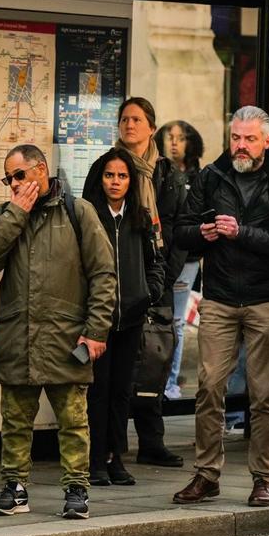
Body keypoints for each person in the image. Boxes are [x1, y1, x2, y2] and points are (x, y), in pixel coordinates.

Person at [0, 145, 117, 519]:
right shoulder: (7, 215)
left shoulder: (78, 212)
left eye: (19, 176)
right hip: (18, 335)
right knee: (15, 420)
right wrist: (16, 214)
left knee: (73, 420)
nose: (14, 185)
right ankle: (15, 487)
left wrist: (96, 330)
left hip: (66, 335)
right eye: (9, 179)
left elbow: (104, 276)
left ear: (41, 170)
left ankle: (76, 489)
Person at [172, 106, 269, 508]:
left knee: (263, 395)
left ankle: (264, 478)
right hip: (220, 297)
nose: (241, 146)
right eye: (236, 137)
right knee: (209, 387)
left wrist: (241, 233)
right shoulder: (211, 176)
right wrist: (203, 233)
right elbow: (181, 231)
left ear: (266, 141)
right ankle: (207, 474)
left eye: (250, 139)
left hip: (265, 298)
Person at [83, 97, 187, 467]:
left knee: (153, 362)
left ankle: (150, 440)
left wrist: (158, 282)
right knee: (111, 378)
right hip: (111, 295)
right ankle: (107, 453)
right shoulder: (105, 168)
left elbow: (175, 229)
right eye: (124, 119)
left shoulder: (167, 173)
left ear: (151, 127)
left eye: (137, 119)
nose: (129, 125)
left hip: (151, 284)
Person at [82, 148, 165, 486]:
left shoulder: (140, 216)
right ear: (99, 178)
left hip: (131, 316)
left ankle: (117, 458)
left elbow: (157, 259)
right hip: (98, 319)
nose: (115, 182)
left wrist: (151, 291)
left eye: (122, 176)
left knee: (121, 392)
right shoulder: (87, 214)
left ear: (131, 181)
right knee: (97, 390)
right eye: (109, 175)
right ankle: (95, 460)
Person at [155, 119, 204, 401]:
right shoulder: (160, 171)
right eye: (169, 137)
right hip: (161, 256)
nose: (174, 142)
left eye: (180, 137)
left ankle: (170, 382)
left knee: (175, 321)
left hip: (187, 258)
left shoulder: (199, 176)